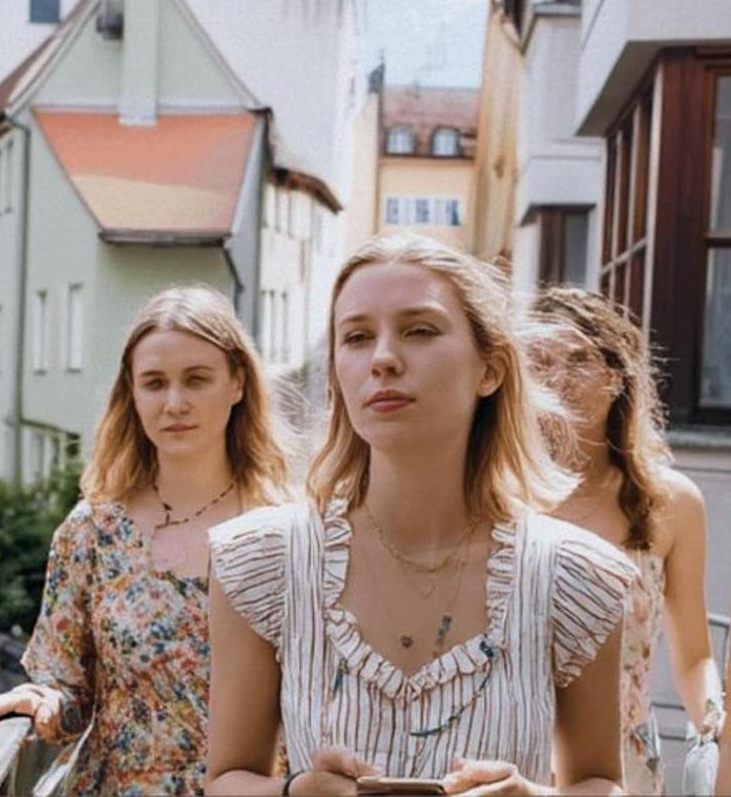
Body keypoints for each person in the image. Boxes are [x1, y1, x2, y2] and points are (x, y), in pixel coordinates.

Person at [206, 235, 637, 796]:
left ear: (491, 369)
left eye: (420, 330)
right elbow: (226, 779)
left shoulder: (574, 575)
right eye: (357, 337)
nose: (383, 358)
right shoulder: (262, 561)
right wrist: (296, 792)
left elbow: (601, 782)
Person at [0, 286, 291, 795]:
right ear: (133, 392)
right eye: (154, 383)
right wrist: (44, 703)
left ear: (236, 382)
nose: (174, 403)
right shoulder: (92, 533)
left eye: (197, 380)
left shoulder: (286, 534)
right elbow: (71, 693)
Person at [529, 286, 723, 794]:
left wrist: (715, 720)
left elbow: (694, 655)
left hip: (624, 767)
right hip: (514, 759)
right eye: (540, 362)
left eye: (578, 360)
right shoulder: (499, 496)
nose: (558, 379)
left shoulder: (673, 503)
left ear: (617, 377)